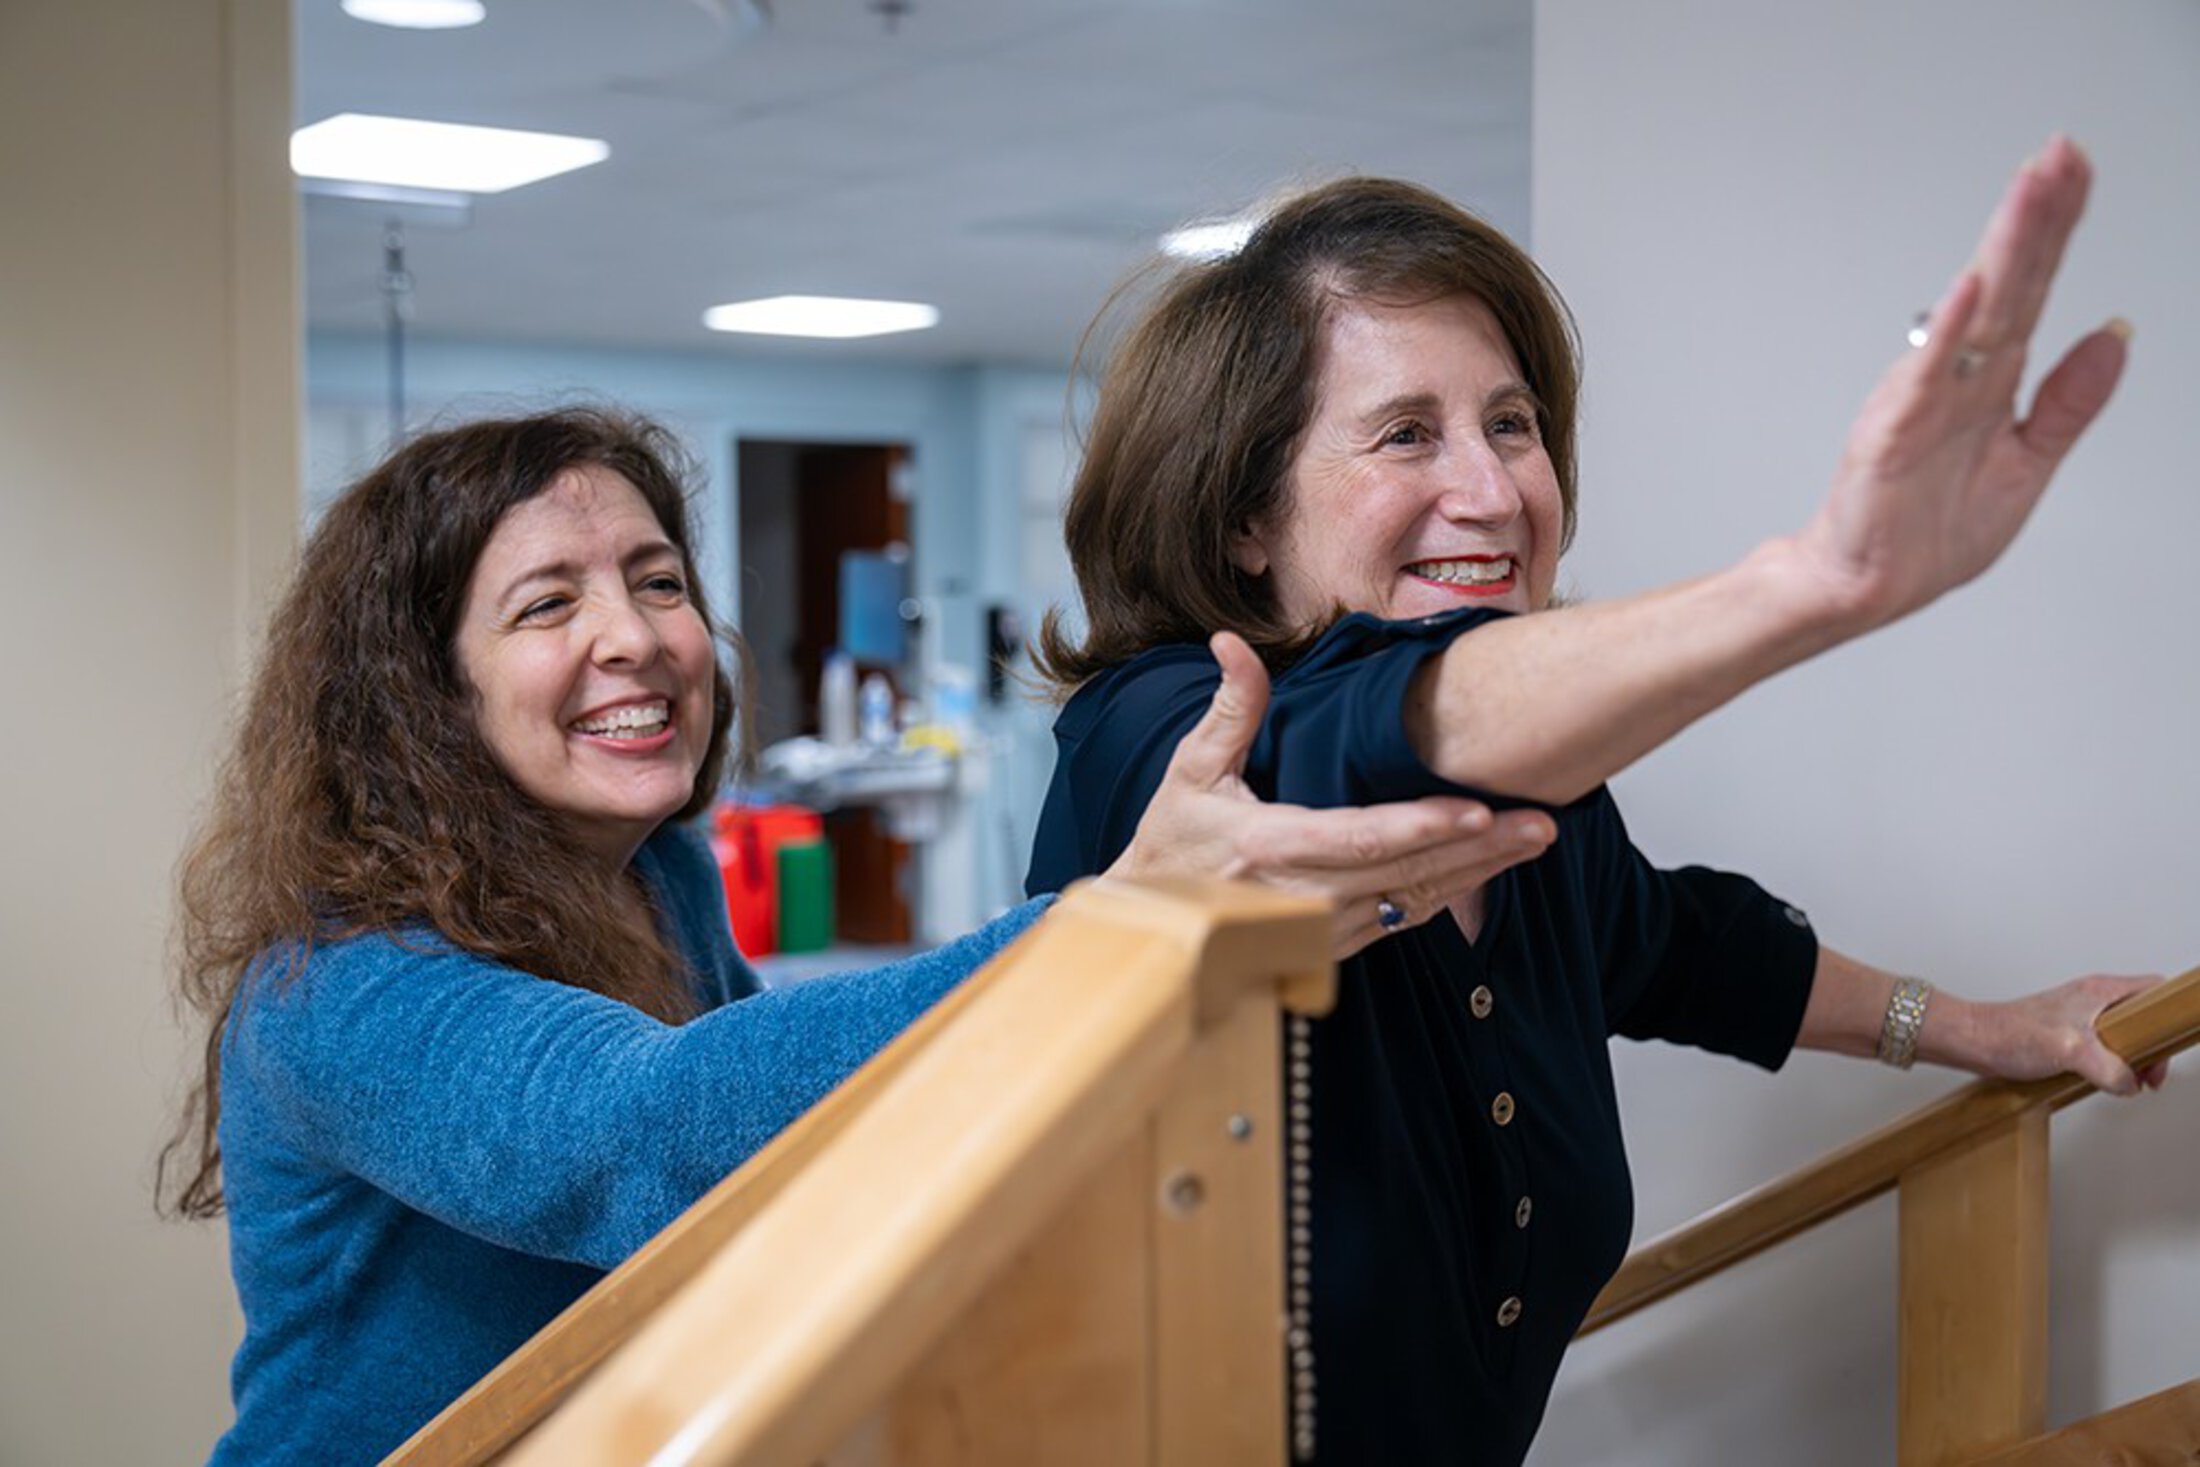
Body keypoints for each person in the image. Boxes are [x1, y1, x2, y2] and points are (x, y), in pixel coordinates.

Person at [1027, 142, 2166, 1465]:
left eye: (1511, 424)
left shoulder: (1545, 814)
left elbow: (1682, 946)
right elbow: (1364, 727)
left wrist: (1992, 1028)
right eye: (1409, 433)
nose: (1496, 490)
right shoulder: (1164, 737)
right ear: (1245, 517)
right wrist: (1811, 584)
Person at [159, 407, 1559, 1464]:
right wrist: (1107, 917)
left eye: (657, 582)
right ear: (422, 698)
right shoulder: (332, 984)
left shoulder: (658, 878)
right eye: (548, 604)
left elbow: (796, 1145)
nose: (641, 638)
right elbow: (641, 1143)